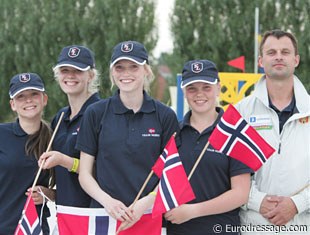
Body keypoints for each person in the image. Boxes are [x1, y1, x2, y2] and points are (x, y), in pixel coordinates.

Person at [76, 40, 180, 231]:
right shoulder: (95, 113)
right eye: (120, 67)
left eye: (134, 67)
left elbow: (171, 174)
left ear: (146, 71)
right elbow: (84, 174)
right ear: (112, 73)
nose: (126, 73)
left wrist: (146, 203)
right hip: (104, 216)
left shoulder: (165, 116)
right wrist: (108, 202)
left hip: (149, 217)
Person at [165, 60, 253, 235]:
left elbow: (241, 193)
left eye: (206, 87)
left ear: (218, 88)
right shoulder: (174, 133)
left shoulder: (234, 132)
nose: (199, 94)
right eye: (192, 88)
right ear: (183, 91)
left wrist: (193, 211)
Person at [235, 29, 310, 234]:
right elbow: (225, 170)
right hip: (254, 226)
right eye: (271, 52)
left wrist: (297, 204)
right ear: (261, 61)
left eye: (285, 52)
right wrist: (257, 201)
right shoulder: (240, 112)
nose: (278, 56)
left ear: (296, 60)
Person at [39, 45, 100, 210]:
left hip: (95, 216)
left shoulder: (102, 113)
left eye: (78, 70)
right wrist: (50, 193)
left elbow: (107, 171)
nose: (70, 76)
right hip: (66, 214)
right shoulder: (60, 117)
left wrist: (63, 160)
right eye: (65, 70)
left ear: (91, 75)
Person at [0, 73, 52, 234]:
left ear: (44, 99)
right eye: (21, 96)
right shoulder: (2, 134)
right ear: (13, 104)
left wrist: (48, 194)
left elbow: (68, 186)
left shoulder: (55, 137)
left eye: (34, 94)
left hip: (34, 228)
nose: (28, 100)